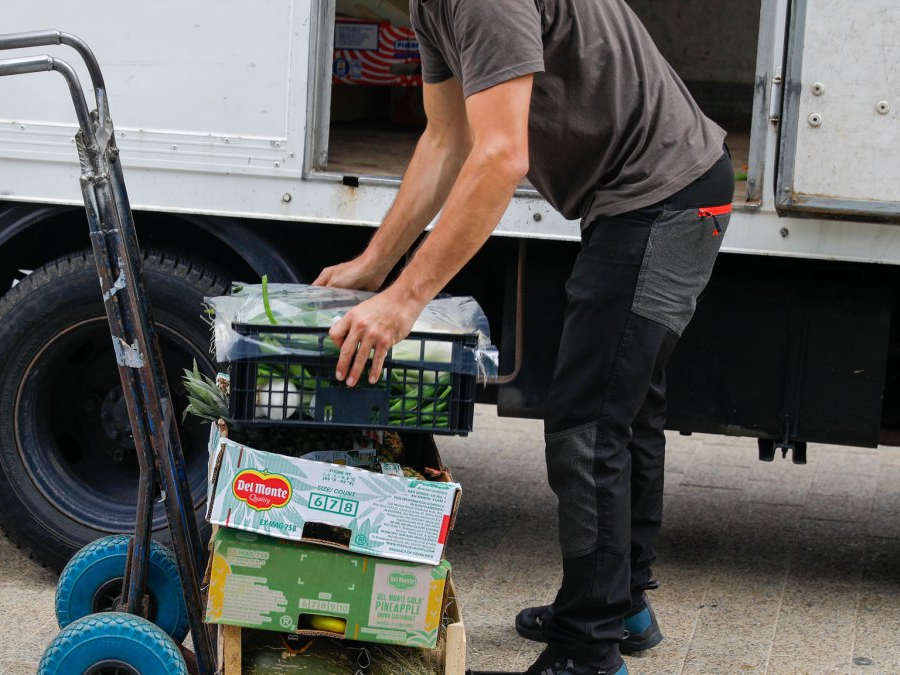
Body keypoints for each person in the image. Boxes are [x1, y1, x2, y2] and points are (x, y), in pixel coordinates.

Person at [313, 0, 733, 673]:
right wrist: (375, 265)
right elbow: (445, 138)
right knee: (623, 411)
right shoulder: (431, 9)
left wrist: (404, 302)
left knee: (588, 424)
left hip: (663, 197)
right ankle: (617, 605)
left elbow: (501, 155)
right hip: (645, 196)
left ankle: (589, 649)